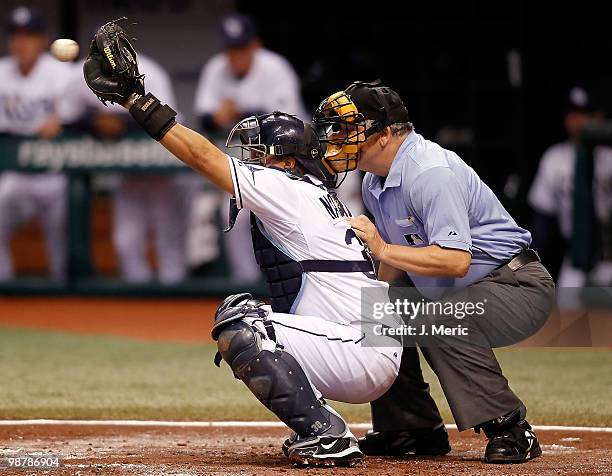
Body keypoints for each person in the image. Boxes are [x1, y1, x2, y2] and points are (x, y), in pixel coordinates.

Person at [83, 22, 403, 467]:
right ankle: (328, 423)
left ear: (288, 160)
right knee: (252, 312)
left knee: (244, 324)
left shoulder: (287, 186)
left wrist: (137, 101)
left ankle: (328, 434)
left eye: (261, 153)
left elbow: (202, 156)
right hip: (366, 344)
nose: (252, 161)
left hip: (359, 351)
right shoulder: (314, 192)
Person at [313, 81, 556, 464]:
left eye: (347, 126)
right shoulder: (375, 178)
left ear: (385, 131)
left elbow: (455, 260)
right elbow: (399, 254)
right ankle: (411, 428)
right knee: (379, 310)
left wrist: (381, 248)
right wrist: (371, 299)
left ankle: (510, 427)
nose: (337, 137)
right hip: (466, 286)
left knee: (434, 318)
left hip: (514, 283)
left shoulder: (428, 171)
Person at [62, 52, 197, 284]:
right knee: (126, 241)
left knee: (168, 237)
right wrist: (96, 122)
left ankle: (173, 302)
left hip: (160, 166)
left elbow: (169, 121)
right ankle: (139, 308)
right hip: (126, 172)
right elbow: (66, 118)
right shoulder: (83, 75)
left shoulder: (149, 71)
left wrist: (122, 123)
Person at [194, 13, 307, 282]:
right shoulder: (216, 68)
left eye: (241, 48)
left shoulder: (275, 67)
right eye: (231, 48)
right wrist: (217, 116)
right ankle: (244, 281)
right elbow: (204, 114)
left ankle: (297, 279)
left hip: (291, 158)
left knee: (289, 215)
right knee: (233, 212)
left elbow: (285, 120)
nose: (235, 55)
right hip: (248, 159)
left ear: (255, 45)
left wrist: (239, 111)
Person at [0, 6, 71, 281]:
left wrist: (63, 120)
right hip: (16, 173)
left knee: (61, 243)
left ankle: (67, 296)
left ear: (42, 40)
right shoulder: (2, 72)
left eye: (29, 35)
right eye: (16, 35)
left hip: (54, 172)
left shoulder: (60, 72)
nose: (22, 41)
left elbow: (75, 114)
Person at [529, 86, 612, 287]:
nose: (578, 121)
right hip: (575, 257)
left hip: (608, 253)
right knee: (568, 312)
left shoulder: (609, 158)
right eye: (573, 114)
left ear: (599, 118)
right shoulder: (554, 159)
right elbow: (542, 225)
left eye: (585, 114)